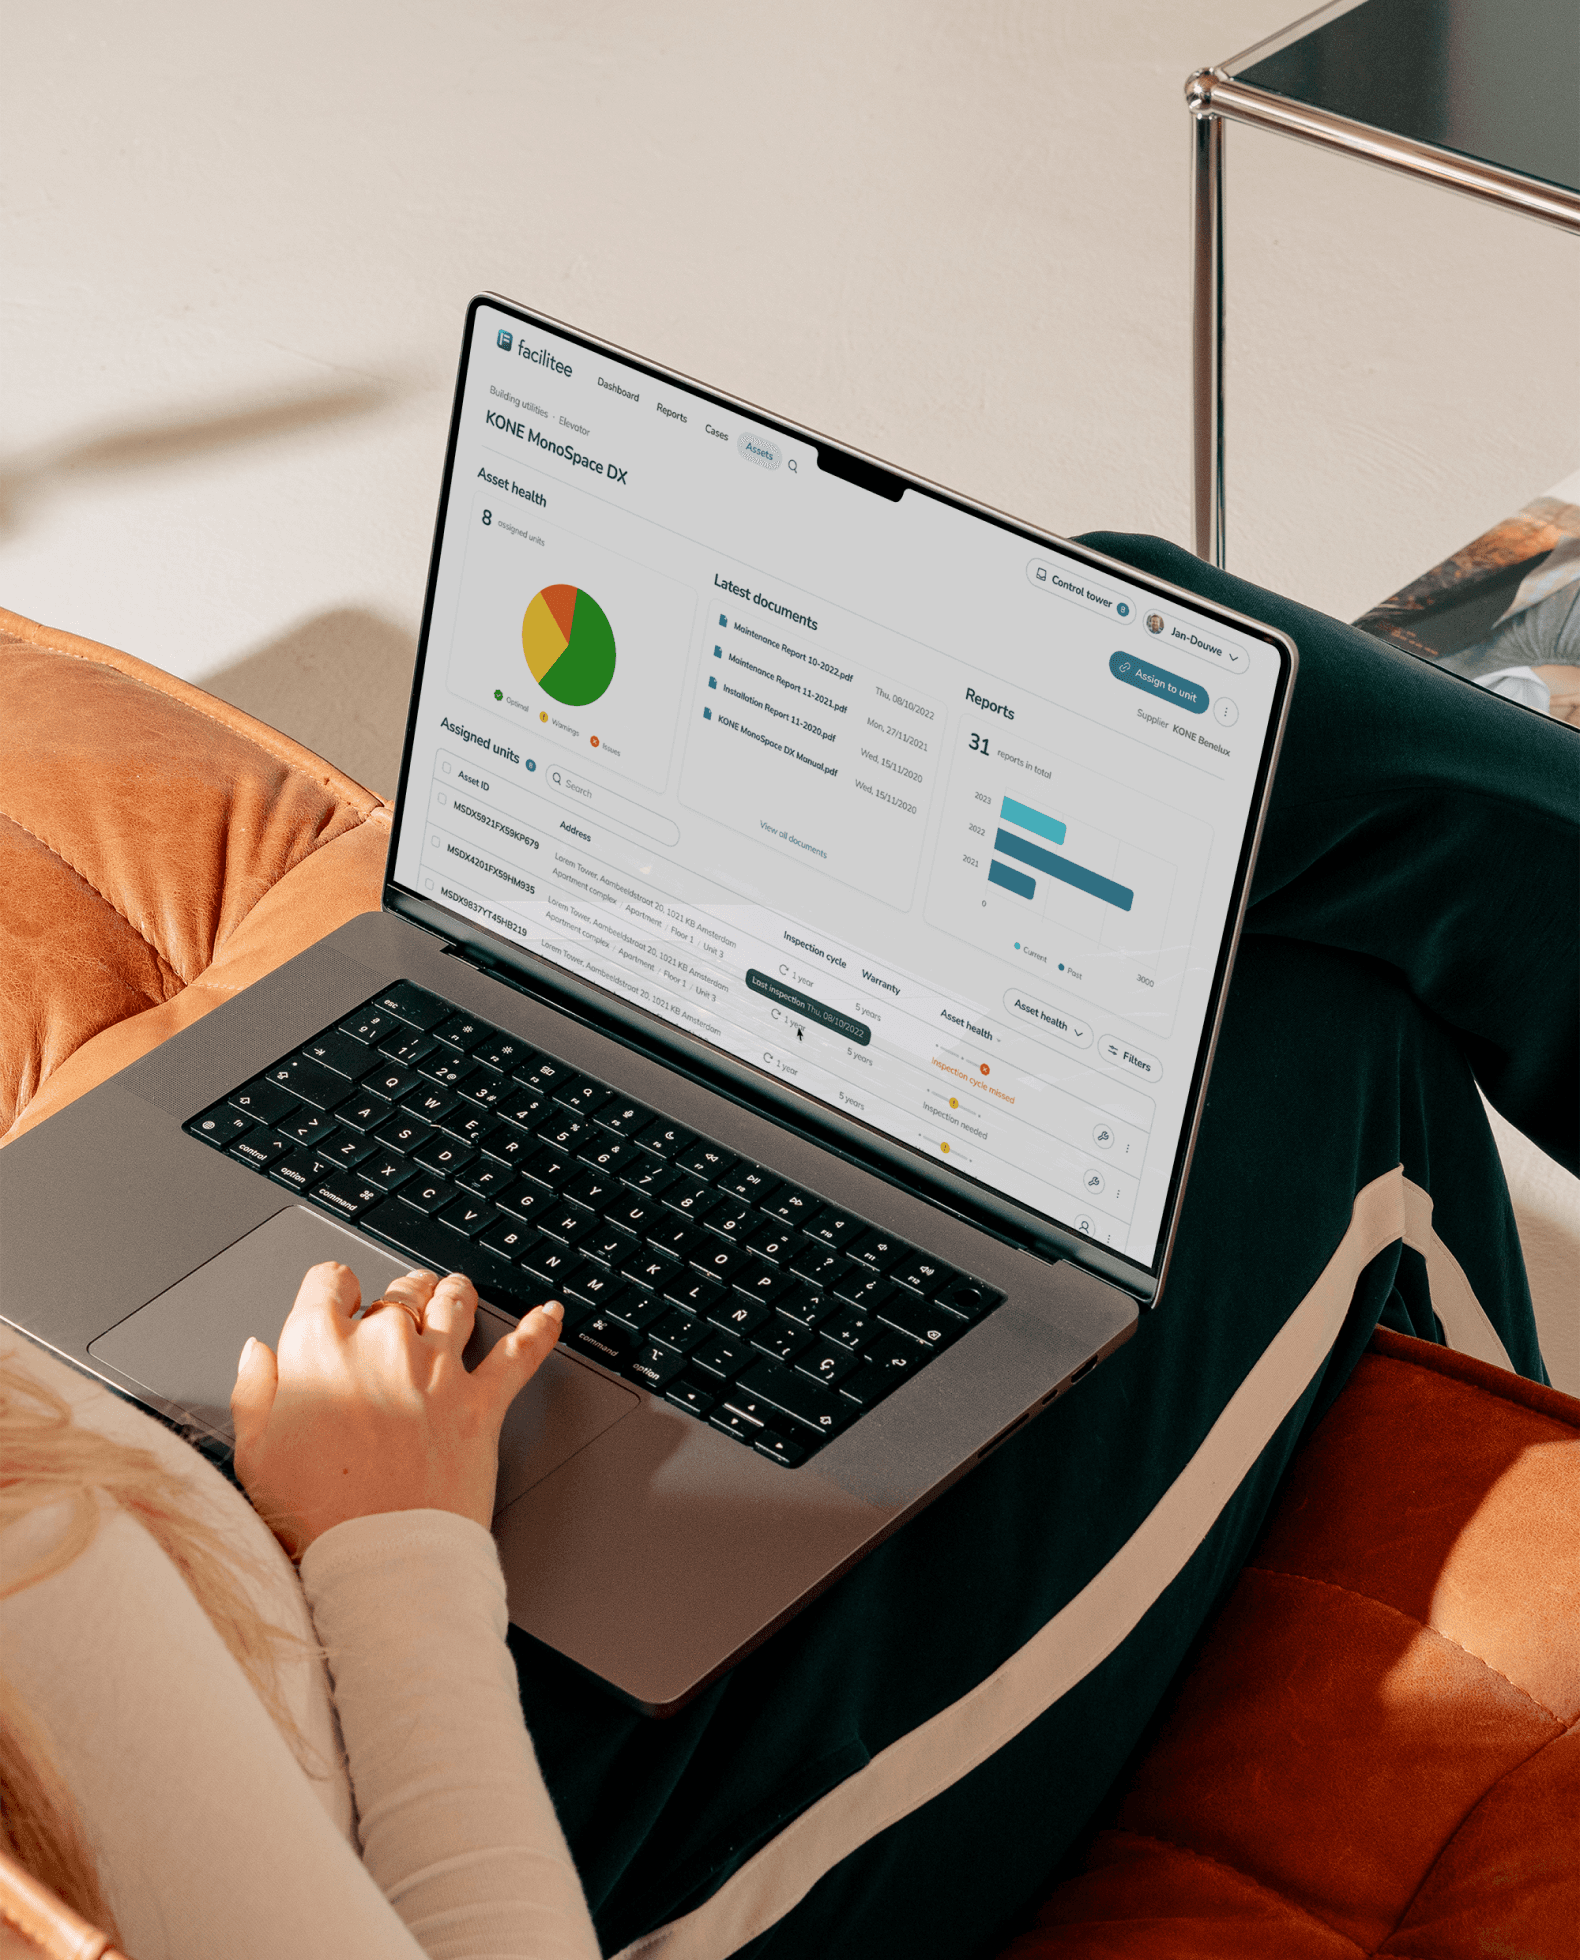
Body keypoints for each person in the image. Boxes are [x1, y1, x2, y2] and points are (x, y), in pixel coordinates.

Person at [2, 534, 1574, 1960]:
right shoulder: (53, 1587)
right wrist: (384, 1543)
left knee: (1106, 667)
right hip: (551, 1802)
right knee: (1314, 1028)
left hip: (255, 1492)